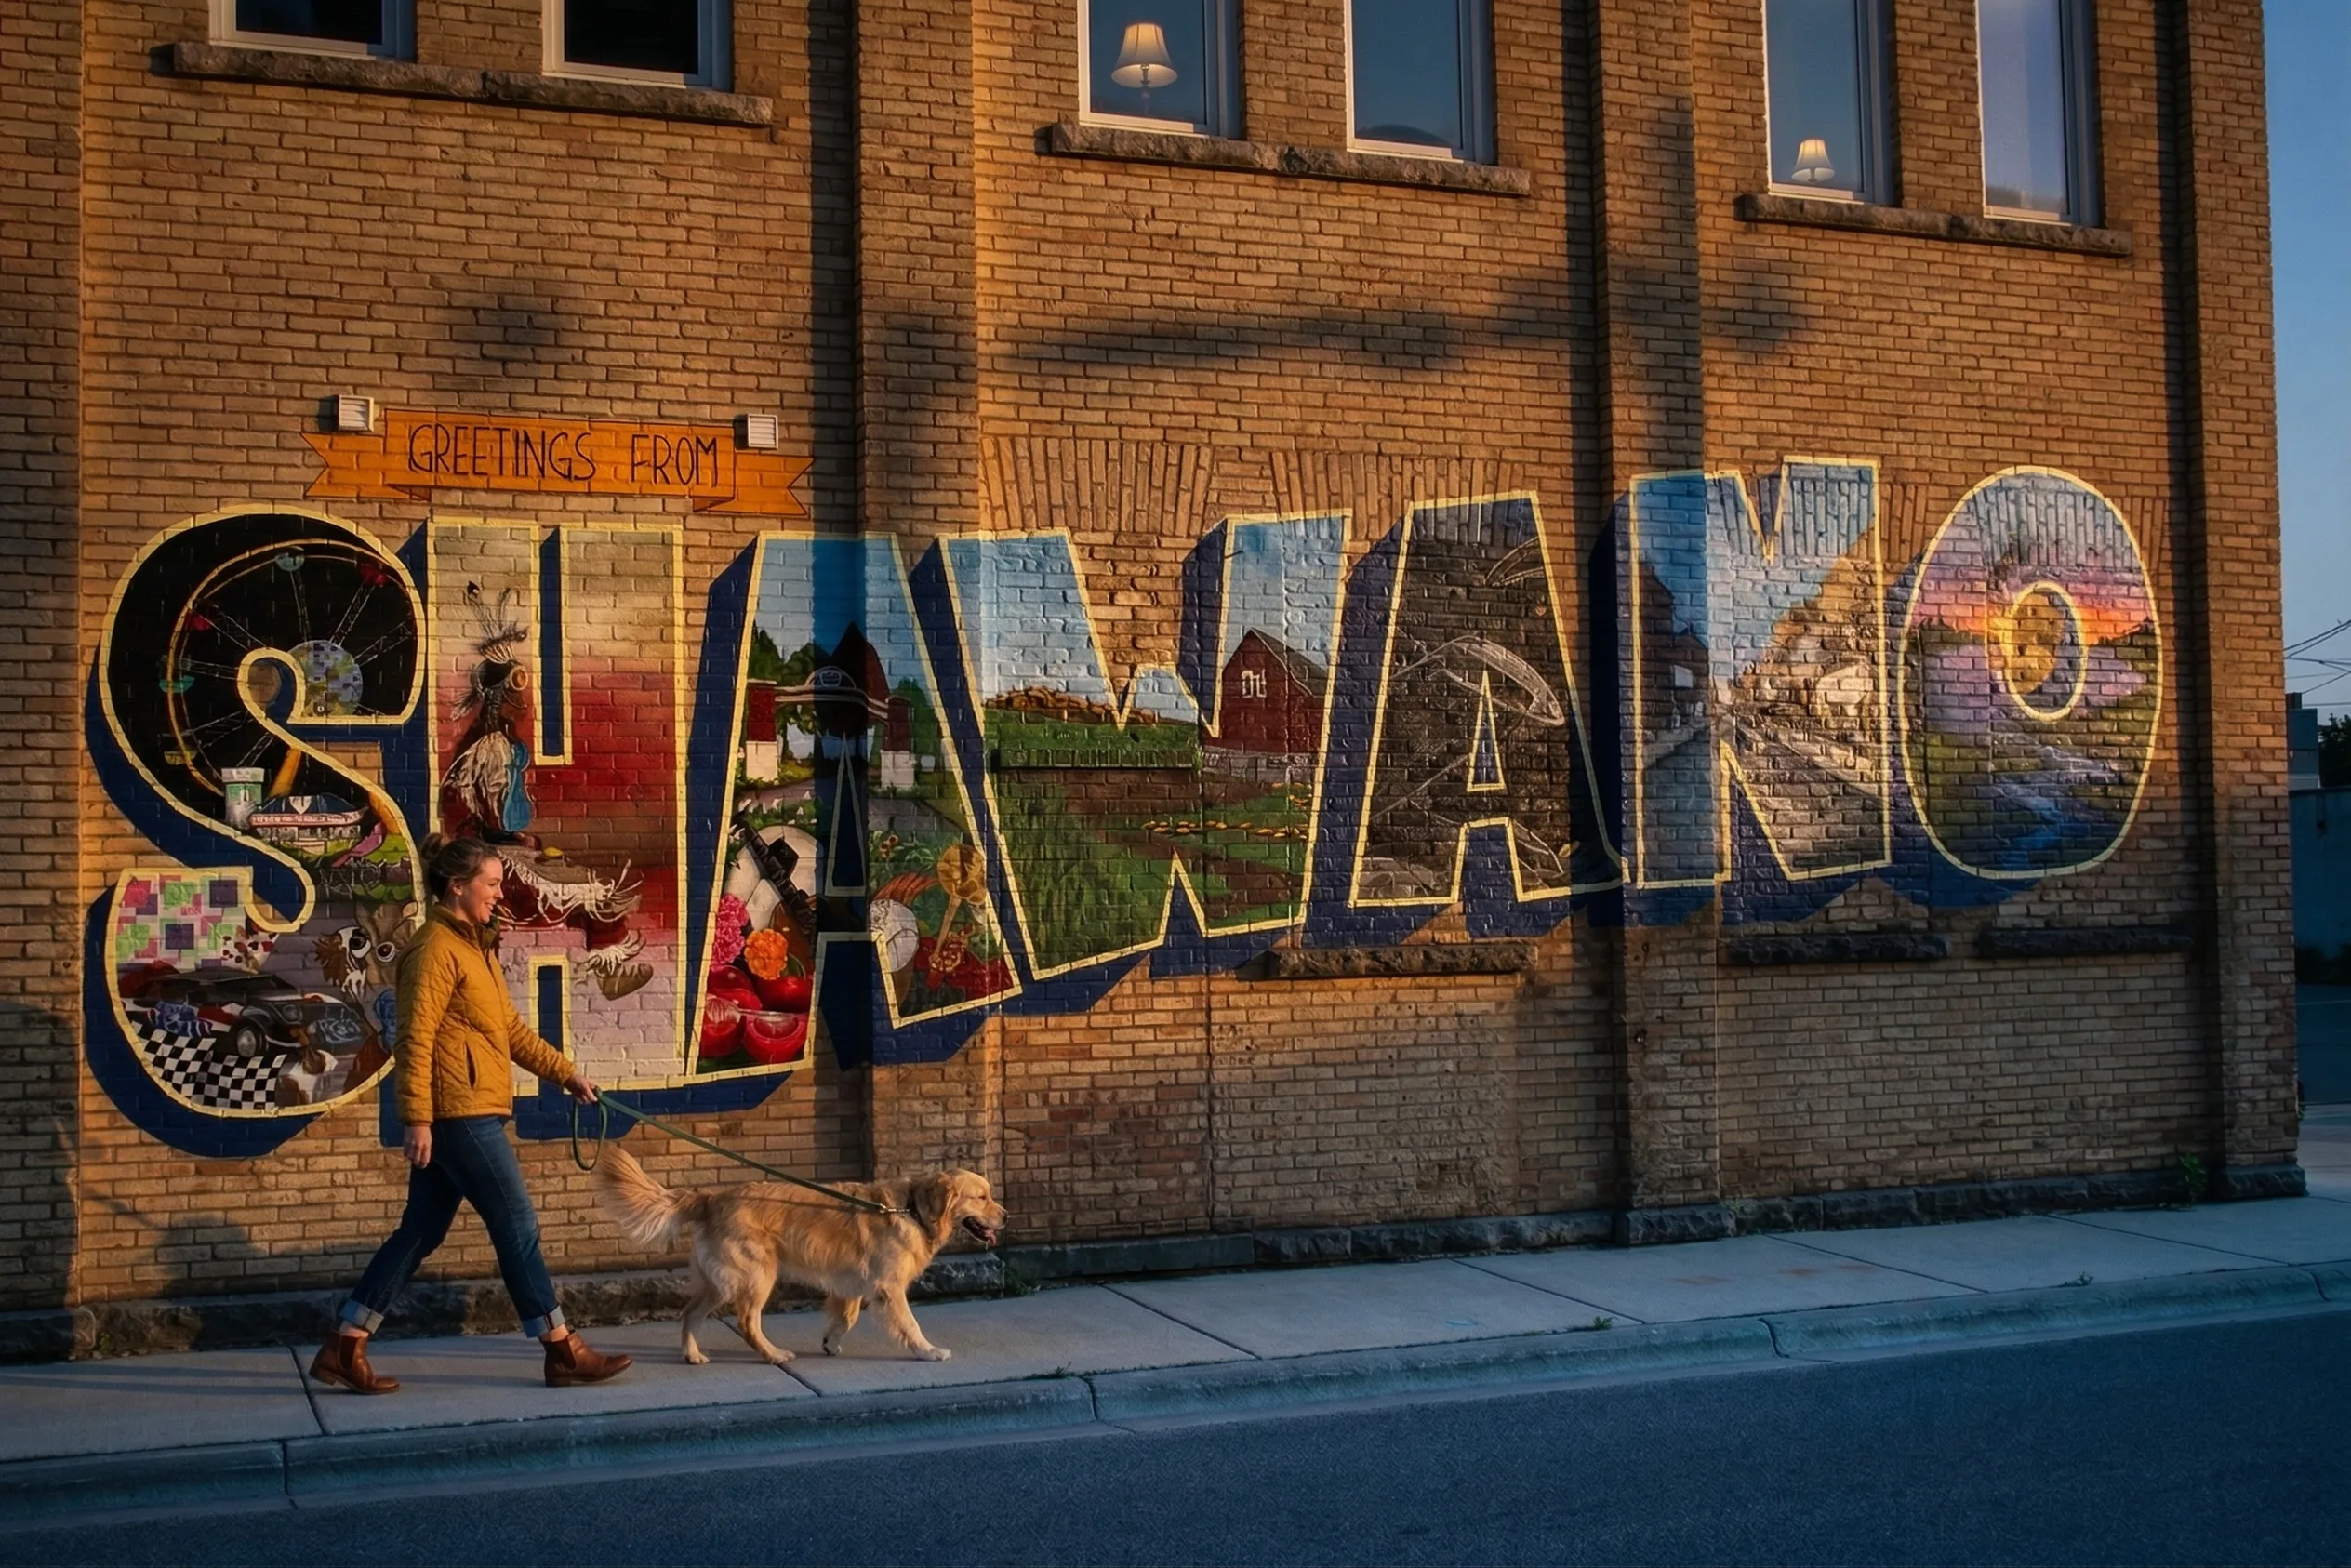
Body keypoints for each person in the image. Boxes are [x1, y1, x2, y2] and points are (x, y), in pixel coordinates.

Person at [311, 833, 633, 1393]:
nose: (499, 893)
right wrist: (416, 1119)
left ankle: (346, 1343)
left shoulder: (473, 947)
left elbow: (507, 1030)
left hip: (467, 1108)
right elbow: (414, 1039)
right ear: (456, 887)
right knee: (518, 1224)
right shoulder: (435, 949)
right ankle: (561, 1348)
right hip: (459, 1115)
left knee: (420, 1231)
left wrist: (567, 1074)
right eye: (490, 883)